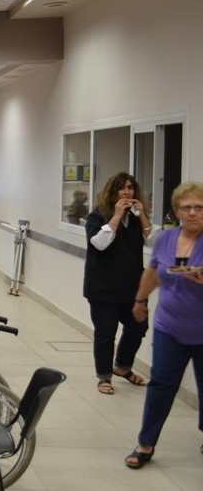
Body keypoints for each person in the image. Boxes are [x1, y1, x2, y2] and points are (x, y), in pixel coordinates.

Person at [124, 181, 203, 469]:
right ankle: (145, 443)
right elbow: (153, 272)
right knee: (160, 385)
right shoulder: (167, 239)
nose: (192, 212)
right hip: (169, 326)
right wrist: (140, 300)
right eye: (186, 207)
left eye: (199, 207)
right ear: (177, 211)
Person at [85, 172, 154, 395]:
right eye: (121, 188)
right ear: (112, 192)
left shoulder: (135, 219)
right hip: (102, 288)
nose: (126, 192)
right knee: (106, 334)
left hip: (132, 288)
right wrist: (115, 216)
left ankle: (122, 366)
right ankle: (104, 376)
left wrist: (142, 215)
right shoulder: (97, 216)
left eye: (130, 188)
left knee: (138, 327)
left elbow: (152, 239)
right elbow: (99, 244)